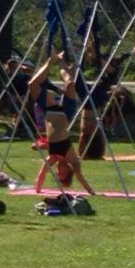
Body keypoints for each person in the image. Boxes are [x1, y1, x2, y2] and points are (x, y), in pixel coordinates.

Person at [31, 53, 95, 196]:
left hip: (49, 111)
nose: (58, 171)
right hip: (65, 113)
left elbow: (41, 174)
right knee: (70, 84)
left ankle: (51, 61)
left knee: (32, 85)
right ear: (68, 171)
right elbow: (79, 176)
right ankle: (63, 64)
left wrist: (37, 189)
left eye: (58, 173)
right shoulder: (71, 159)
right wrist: (90, 191)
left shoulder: (53, 157)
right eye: (62, 173)